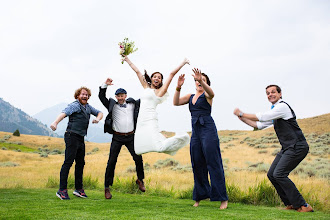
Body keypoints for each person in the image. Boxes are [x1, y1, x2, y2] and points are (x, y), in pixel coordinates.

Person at [233, 84, 313, 212]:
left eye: (273, 92)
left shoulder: (282, 107)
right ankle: (291, 204)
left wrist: (242, 113)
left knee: (279, 174)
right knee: (272, 174)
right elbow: (258, 125)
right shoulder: (275, 111)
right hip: (287, 147)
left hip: (297, 146)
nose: (270, 95)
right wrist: (241, 117)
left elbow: (262, 117)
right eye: (268, 93)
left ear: (280, 94)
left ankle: (303, 205)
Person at [173, 69, 228, 209]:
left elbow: (212, 93)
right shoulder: (190, 96)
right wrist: (178, 86)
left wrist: (202, 81)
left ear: (206, 82)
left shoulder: (207, 95)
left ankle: (222, 198)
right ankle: (199, 197)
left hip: (208, 129)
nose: (198, 81)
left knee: (213, 162)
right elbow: (176, 102)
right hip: (196, 131)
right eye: (196, 80)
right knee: (197, 163)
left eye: (202, 79)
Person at [123, 55, 190, 155]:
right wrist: (127, 59)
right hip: (141, 120)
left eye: (159, 78)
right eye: (155, 76)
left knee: (159, 147)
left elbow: (171, 74)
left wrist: (183, 63)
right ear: (151, 78)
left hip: (151, 119)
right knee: (138, 150)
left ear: (161, 81)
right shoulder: (146, 87)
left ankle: (182, 137)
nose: (157, 78)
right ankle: (166, 142)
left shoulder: (160, 92)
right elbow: (137, 71)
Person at [50, 87, 103, 200]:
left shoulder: (87, 107)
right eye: (83, 94)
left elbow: (100, 112)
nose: (85, 96)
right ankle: (62, 190)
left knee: (80, 163)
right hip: (71, 136)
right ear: (77, 95)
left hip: (80, 138)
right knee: (68, 162)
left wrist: (98, 119)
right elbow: (64, 113)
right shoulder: (75, 105)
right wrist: (55, 123)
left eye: (87, 95)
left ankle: (79, 189)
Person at [98, 78, 145, 199]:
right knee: (112, 161)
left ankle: (140, 180)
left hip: (131, 136)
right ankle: (107, 187)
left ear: (126, 96)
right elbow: (101, 97)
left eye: (122, 95)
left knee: (138, 158)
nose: (120, 98)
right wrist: (105, 85)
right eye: (118, 96)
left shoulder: (133, 104)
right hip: (117, 137)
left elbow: (146, 99)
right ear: (116, 96)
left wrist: (151, 85)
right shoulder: (112, 105)